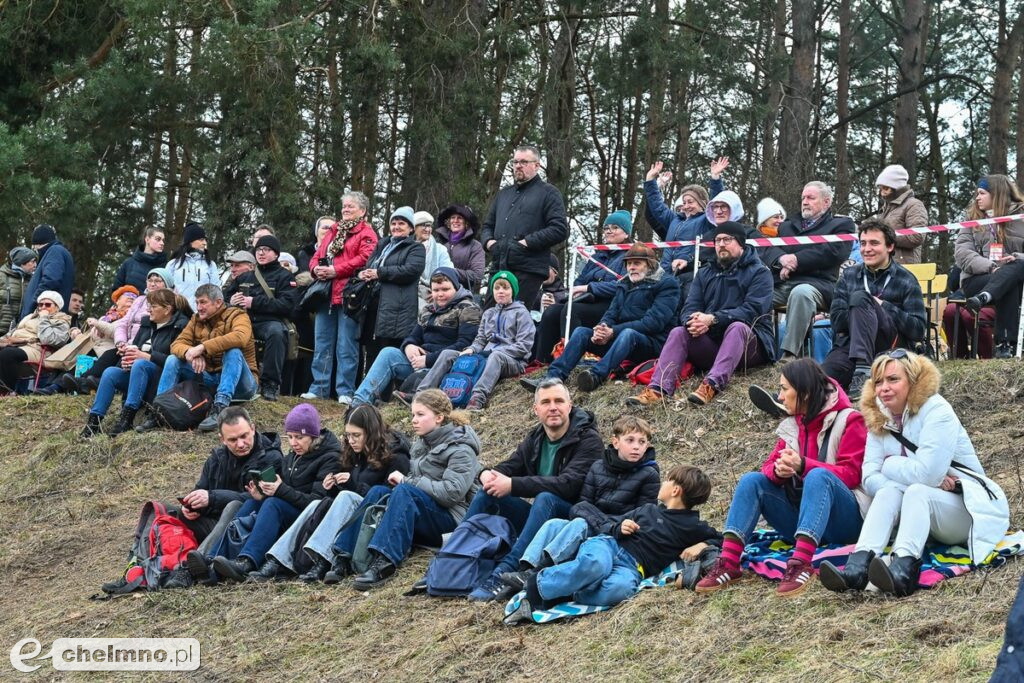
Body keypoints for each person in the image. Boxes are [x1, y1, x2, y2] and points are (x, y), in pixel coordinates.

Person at [819, 350, 1008, 597]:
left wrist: (891, 465)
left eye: (893, 380)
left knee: (918, 490)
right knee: (889, 491)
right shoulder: (878, 416)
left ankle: (903, 572)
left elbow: (926, 475)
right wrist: (912, 480)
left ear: (913, 381)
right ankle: (857, 568)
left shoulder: (937, 411)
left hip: (970, 510)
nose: (883, 388)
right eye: (878, 382)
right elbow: (869, 478)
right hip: (922, 511)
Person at [695, 358, 868, 596]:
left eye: (785, 389)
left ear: (805, 393)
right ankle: (729, 562)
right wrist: (778, 470)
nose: (780, 396)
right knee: (751, 480)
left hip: (844, 522)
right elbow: (767, 466)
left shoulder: (850, 420)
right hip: (801, 519)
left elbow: (852, 474)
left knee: (818, 476)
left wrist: (803, 465)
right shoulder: (794, 424)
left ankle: (800, 564)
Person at [102, 406, 283, 594]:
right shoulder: (217, 457)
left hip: (246, 529)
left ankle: (188, 569)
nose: (240, 444)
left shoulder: (271, 457)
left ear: (253, 428)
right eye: (233, 439)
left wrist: (211, 498)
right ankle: (136, 570)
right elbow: (200, 490)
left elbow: (261, 498)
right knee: (161, 511)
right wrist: (192, 506)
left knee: (234, 506)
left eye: (244, 436)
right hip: (213, 524)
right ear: (222, 439)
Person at [504, 464, 720, 622]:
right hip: (610, 545)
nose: (662, 484)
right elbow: (611, 523)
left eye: (667, 480)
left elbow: (721, 539)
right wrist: (620, 526)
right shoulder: (648, 510)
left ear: (675, 490)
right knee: (595, 565)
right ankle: (537, 586)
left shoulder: (693, 526)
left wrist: (701, 545)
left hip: (634, 567)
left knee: (620, 589)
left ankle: (567, 592)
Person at [322, 389, 481, 589]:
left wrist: (408, 481)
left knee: (405, 491)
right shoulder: (421, 443)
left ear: (439, 417)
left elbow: (452, 493)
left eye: (420, 415)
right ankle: (344, 555)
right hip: (426, 511)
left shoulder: (461, 448)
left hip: (451, 519)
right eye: (413, 414)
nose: (414, 420)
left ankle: (384, 560)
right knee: (378, 491)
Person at [465, 378, 603, 602]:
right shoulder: (536, 437)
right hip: (540, 516)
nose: (553, 407)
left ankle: (505, 572)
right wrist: (486, 474)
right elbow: (510, 466)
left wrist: (513, 485)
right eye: (546, 402)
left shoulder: (588, 439)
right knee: (486, 493)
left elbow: (569, 485)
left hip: (574, 519)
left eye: (559, 401)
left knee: (545, 498)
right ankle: (455, 560)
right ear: (536, 409)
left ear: (570, 405)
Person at [497, 415, 661, 593]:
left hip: (617, 533)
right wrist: (596, 520)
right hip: (592, 523)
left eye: (642, 442)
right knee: (553, 524)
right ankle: (523, 571)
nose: (636, 446)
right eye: (630, 440)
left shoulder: (649, 475)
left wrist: (608, 524)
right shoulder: (598, 467)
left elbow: (643, 515)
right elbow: (582, 505)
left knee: (580, 522)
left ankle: (535, 575)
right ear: (616, 442)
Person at [250, 404, 412, 583]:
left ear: (371, 433)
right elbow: (345, 491)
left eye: (356, 435)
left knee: (343, 497)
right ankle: (278, 558)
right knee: (317, 503)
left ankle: (322, 559)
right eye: (348, 435)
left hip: (372, 516)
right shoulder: (354, 452)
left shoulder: (396, 455)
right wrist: (334, 485)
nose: (351, 441)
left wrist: (350, 485)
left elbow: (386, 496)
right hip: (351, 512)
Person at [627, 221, 776, 407]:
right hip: (712, 343)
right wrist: (693, 321)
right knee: (679, 332)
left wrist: (712, 319)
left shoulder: (760, 272)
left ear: (741, 243)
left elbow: (753, 310)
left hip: (751, 346)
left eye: (727, 239)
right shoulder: (705, 273)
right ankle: (658, 390)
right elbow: (689, 306)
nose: (721, 244)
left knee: (737, 327)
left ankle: (711, 384)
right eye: (717, 240)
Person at [207, 403, 343, 582]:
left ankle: (248, 560)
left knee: (273, 504)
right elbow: (285, 491)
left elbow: (316, 503)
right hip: (290, 508)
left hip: (309, 518)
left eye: (300, 437)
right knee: (251, 502)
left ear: (313, 435)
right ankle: (214, 558)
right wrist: (263, 494)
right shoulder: (293, 455)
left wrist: (280, 490)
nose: (293, 443)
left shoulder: (330, 457)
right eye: (290, 437)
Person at [521, 243, 678, 393]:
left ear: (650, 265)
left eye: (637, 263)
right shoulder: (624, 284)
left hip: (652, 344)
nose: (631, 267)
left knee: (628, 334)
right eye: (629, 264)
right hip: (620, 340)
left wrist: (613, 331)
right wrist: (602, 328)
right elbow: (611, 313)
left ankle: (595, 376)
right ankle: (552, 377)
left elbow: (653, 323)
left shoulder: (667, 284)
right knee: (582, 332)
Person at [822, 219, 926, 399]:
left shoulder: (906, 279)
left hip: (888, 349)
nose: (866, 249)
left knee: (861, 297)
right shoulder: (848, 276)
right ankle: (790, 400)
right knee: (823, 377)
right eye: (863, 243)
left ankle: (863, 372)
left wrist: (883, 307)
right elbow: (837, 321)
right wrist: (862, 312)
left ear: (890, 246)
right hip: (851, 347)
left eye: (874, 243)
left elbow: (917, 330)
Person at [404, 271, 533, 410]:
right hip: (485, 356)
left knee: (496, 356)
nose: (501, 291)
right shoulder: (489, 313)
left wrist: (490, 352)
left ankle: (477, 398)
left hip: (512, 360)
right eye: (497, 288)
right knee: (448, 353)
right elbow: (480, 339)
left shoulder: (522, 313)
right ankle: (421, 394)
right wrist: (471, 349)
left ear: (513, 291)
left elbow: (524, 346)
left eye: (505, 288)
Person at [144, 283, 258, 433]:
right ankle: (159, 411)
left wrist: (202, 348)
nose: (198, 307)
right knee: (174, 359)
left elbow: (240, 337)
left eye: (203, 302)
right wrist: (190, 354)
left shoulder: (238, 315)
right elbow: (177, 344)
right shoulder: (195, 319)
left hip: (242, 384)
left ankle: (219, 408)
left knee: (233, 351)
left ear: (218, 302)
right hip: (211, 379)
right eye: (197, 302)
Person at [760, 182, 855, 362]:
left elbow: (834, 252)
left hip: (818, 286)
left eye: (811, 198)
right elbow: (768, 249)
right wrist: (782, 259)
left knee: (801, 293)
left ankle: (789, 355)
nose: (805, 201)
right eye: (803, 197)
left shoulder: (842, 225)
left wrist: (796, 260)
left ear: (826, 202)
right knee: (756, 295)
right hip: (782, 282)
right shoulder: (786, 227)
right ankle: (757, 352)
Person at [81, 288, 192, 437]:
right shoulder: (147, 324)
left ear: (167, 309)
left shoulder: (180, 326)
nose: (148, 310)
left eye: (153, 306)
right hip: (139, 377)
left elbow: (176, 361)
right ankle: (93, 423)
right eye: (149, 306)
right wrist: (127, 361)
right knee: (110, 372)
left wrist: (146, 357)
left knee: (141, 364)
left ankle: (127, 418)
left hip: (161, 382)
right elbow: (137, 350)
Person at [303, 193, 378, 402]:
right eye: (344, 206)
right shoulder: (334, 230)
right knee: (322, 343)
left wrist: (336, 270)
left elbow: (365, 259)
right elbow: (317, 256)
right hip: (325, 295)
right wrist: (315, 269)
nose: (345, 209)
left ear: (362, 211)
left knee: (347, 346)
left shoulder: (368, 234)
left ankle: (345, 391)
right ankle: (318, 389)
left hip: (350, 296)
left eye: (350, 206)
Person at [533, 211, 630, 364]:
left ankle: (572, 359)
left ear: (626, 234)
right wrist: (576, 291)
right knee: (552, 311)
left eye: (615, 227)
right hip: (586, 300)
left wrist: (588, 288)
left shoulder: (629, 256)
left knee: (572, 310)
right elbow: (580, 280)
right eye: (606, 228)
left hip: (610, 305)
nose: (609, 231)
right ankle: (543, 361)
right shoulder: (597, 256)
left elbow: (622, 286)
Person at [481, 145, 569, 308]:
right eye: (515, 162)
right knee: (489, 317)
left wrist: (525, 243)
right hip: (499, 266)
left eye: (523, 162)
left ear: (537, 165)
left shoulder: (549, 193)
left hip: (528, 268)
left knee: (515, 320)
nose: (518, 166)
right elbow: (487, 226)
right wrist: (489, 243)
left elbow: (559, 229)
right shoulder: (503, 194)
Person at [223, 234, 298, 402]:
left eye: (266, 250)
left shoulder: (285, 277)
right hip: (244, 320)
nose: (261, 253)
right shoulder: (245, 277)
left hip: (269, 321)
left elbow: (288, 305)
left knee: (277, 333)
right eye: (259, 250)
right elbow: (221, 299)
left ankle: (270, 384)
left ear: (276, 254)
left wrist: (255, 302)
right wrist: (231, 301)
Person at [959, 175, 1024, 358]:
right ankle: (1005, 345)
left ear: (996, 194)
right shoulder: (971, 219)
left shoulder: (1022, 217)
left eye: (982, 193)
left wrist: (1016, 257)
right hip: (977, 279)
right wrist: (990, 267)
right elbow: (962, 253)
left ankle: (985, 298)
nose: (977, 198)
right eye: (976, 194)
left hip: (1015, 276)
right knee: (1007, 281)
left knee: (1012, 275)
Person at [358, 206, 427, 367]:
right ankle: (370, 390)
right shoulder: (382, 244)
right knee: (372, 350)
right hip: (374, 305)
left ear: (410, 228)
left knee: (391, 351)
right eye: (393, 223)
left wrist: (379, 273)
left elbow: (411, 270)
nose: (396, 227)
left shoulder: (415, 247)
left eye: (401, 223)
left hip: (398, 308)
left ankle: (390, 391)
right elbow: (369, 265)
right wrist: (363, 274)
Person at [0, 291, 71, 394]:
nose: (43, 307)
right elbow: (12, 333)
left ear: (57, 307)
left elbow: (49, 339)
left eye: (47, 305)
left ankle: (4, 392)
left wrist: (44, 318)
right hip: (15, 345)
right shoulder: (29, 317)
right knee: (7, 351)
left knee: (8, 354)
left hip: (37, 350)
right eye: (40, 304)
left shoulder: (61, 321)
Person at [870, 164, 928, 264]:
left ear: (896, 187)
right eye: (880, 188)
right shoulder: (885, 208)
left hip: (905, 266)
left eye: (886, 188)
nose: (882, 192)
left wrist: (883, 237)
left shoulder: (914, 205)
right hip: (885, 264)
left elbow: (916, 237)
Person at [20, 223, 74, 318]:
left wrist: (31, 307)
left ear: (38, 244)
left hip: (43, 317)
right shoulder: (60, 252)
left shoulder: (55, 251)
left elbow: (50, 281)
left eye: (34, 247)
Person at [167, 222, 221, 310]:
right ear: (190, 241)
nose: (204, 243)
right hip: (179, 313)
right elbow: (166, 290)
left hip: (203, 313)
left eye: (205, 240)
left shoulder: (210, 264)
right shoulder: (173, 264)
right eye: (201, 239)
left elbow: (217, 291)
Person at [435, 205, 486, 293]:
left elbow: (477, 276)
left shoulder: (475, 246)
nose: (455, 221)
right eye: (452, 217)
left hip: (463, 294)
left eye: (460, 218)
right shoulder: (440, 245)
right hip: (439, 293)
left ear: (467, 222)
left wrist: (451, 272)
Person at [413, 210, 453, 311]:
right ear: (414, 228)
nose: (428, 229)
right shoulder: (406, 248)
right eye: (424, 226)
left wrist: (438, 290)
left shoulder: (440, 249)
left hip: (432, 294)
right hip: (409, 292)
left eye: (430, 226)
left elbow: (449, 273)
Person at [112, 227, 168, 293]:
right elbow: (116, 291)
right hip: (130, 302)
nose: (162, 243)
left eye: (163, 240)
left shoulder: (165, 266)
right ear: (147, 240)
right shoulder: (129, 263)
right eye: (158, 239)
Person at [1, 247, 36, 334]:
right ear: (22, 262)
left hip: (19, 331)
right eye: (33, 261)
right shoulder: (2, 276)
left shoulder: (33, 279)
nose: (35, 265)